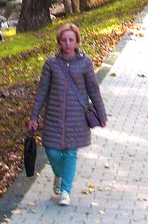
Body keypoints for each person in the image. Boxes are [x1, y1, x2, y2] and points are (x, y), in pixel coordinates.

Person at [27, 23, 107, 206]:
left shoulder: (85, 62)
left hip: (76, 117)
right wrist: (34, 117)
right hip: (53, 117)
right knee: (52, 150)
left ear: (77, 41)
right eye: (64, 40)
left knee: (70, 153)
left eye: (71, 40)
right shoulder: (51, 63)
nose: (67, 43)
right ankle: (59, 174)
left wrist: (101, 115)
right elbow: (42, 91)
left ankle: (65, 191)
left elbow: (93, 90)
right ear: (59, 42)